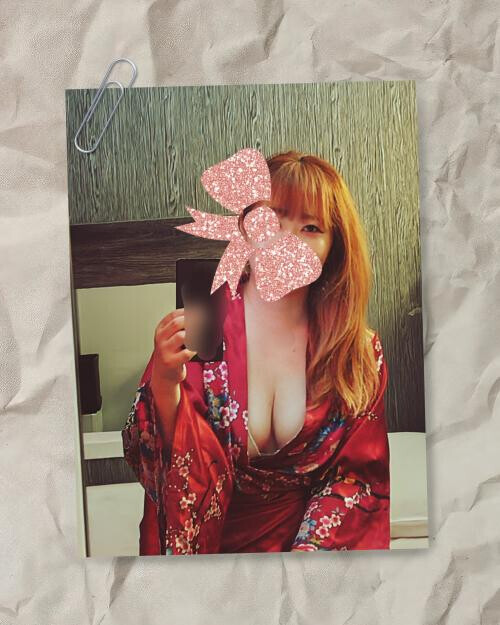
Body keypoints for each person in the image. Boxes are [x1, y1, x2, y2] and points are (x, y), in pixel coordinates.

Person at [121, 150, 390, 555]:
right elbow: (156, 463)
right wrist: (164, 381)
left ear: (334, 247)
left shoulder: (358, 351)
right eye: (273, 220)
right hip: (206, 554)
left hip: (307, 554)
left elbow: (358, 481)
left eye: (311, 227)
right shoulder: (204, 320)